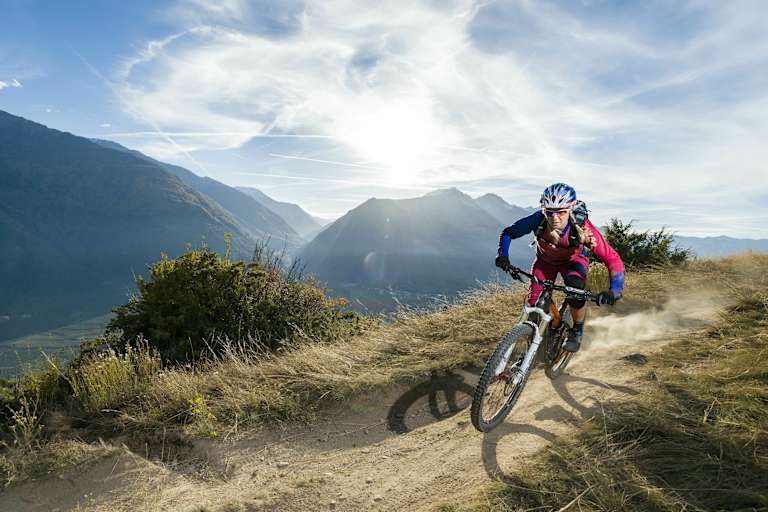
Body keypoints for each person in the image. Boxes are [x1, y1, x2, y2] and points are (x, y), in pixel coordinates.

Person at [494, 183, 625, 352]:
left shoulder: (583, 226)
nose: (555, 218)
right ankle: (538, 341)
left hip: (573, 262)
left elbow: (612, 258)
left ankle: (577, 330)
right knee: (534, 306)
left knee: (575, 290)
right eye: (549, 212)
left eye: (561, 212)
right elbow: (509, 233)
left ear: (570, 209)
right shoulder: (538, 219)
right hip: (544, 263)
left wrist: (615, 290)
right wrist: (502, 255)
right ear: (544, 210)